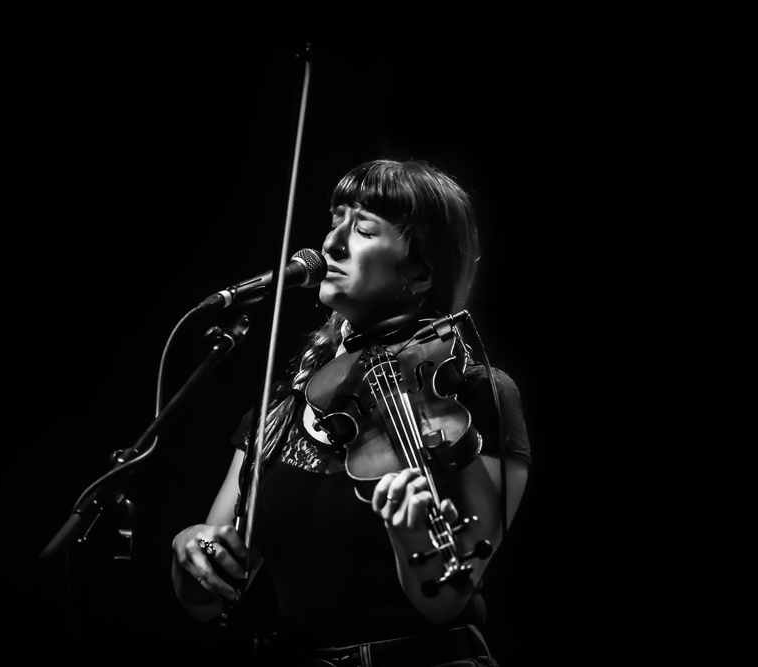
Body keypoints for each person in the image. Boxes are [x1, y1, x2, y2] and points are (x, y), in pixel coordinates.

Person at [171, 159, 531, 666]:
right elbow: (211, 599)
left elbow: (446, 600)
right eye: (335, 221)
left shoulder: (471, 393)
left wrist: (411, 537)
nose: (332, 245)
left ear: (420, 270)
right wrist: (189, 552)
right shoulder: (283, 407)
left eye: (362, 229)